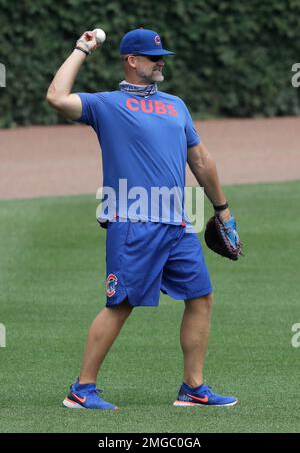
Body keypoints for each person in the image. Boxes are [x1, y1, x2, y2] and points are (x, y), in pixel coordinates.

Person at [46, 28, 240, 410]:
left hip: (178, 225)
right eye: (153, 57)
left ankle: (193, 388)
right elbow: (56, 97)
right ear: (132, 61)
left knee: (201, 297)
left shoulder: (175, 106)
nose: (161, 62)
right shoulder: (107, 104)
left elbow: (199, 159)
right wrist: (81, 49)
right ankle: (81, 390)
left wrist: (223, 210)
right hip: (133, 221)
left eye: (162, 56)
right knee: (120, 304)